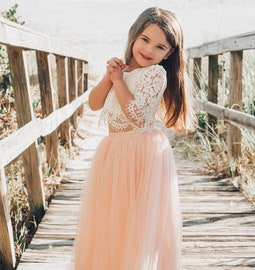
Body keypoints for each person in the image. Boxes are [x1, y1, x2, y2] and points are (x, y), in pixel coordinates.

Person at [72, 6, 194, 270]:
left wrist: (118, 81)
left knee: (136, 218)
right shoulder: (122, 71)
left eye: (160, 47)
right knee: (111, 216)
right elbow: (94, 104)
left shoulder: (155, 74)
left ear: (169, 54)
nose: (149, 50)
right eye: (145, 40)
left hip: (140, 152)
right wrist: (109, 77)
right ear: (134, 36)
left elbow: (137, 116)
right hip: (114, 150)